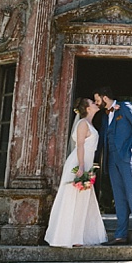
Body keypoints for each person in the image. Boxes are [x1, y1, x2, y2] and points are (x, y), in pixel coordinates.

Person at [44, 97, 107, 247]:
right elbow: (80, 146)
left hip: (86, 163)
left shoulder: (90, 123)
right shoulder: (83, 124)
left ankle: (79, 236)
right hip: (78, 164)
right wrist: (80, 167)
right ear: (88, 108)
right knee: (72, 199)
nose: (95, 103)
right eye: (92, 103)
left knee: (83, 200)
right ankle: (68, 237)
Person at [95, 85, 132, 246]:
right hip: (112, 161)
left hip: (127, 158)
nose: (97, 103)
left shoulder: (126, 107)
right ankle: (120, 235)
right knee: (118, 197)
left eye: (98, 100)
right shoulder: (105, 116)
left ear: (105, 98)